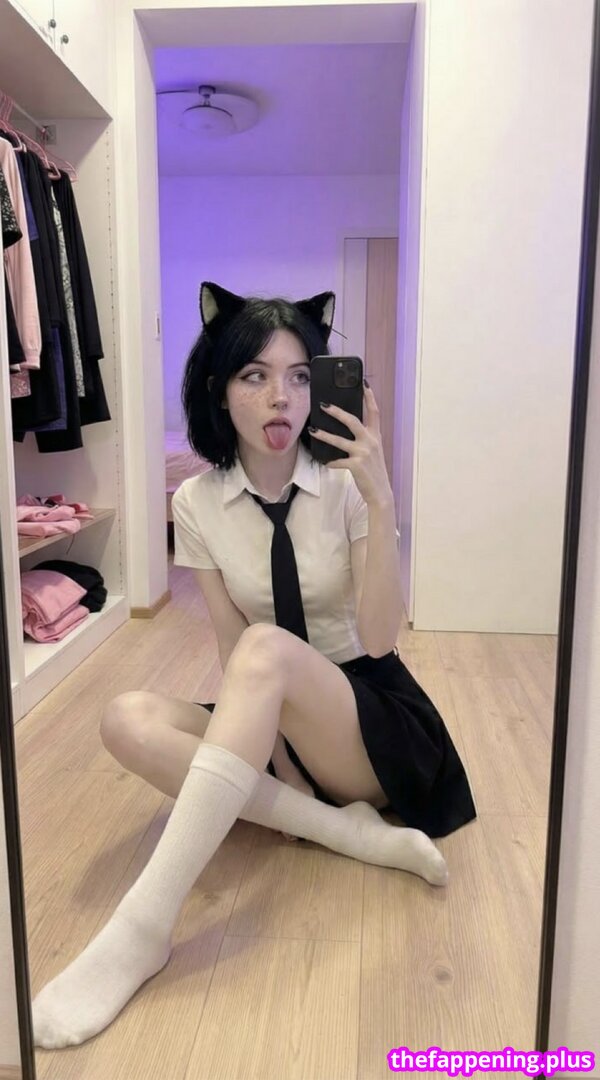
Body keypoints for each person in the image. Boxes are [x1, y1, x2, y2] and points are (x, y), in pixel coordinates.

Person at [32, 282, 476, 1050]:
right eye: (255, 375)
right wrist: (286, 769)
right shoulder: (196, 503)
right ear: (219, 389)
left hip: (366, 715)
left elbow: (380, 639)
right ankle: (346, 833)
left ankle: (143, 928)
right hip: (269, 708)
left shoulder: (345, 488)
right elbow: (229, 648)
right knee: (126, 718)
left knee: (265, 650)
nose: (282, 398)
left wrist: (381, 501)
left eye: (301, 376)